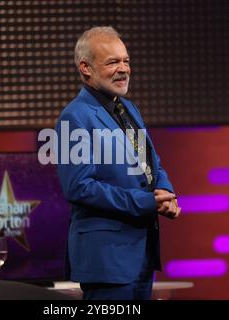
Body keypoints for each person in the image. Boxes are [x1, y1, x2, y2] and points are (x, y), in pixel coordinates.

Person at [55, 26, 181, 300]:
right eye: (113, 62)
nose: (124, 69)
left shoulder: (128, 109)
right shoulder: (74, 117)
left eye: (126, 60)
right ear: (86, 68)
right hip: (106, 261)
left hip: (142, 254)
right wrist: (145, 201)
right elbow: (79, 187)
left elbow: (151, 164)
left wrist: (166, 193)